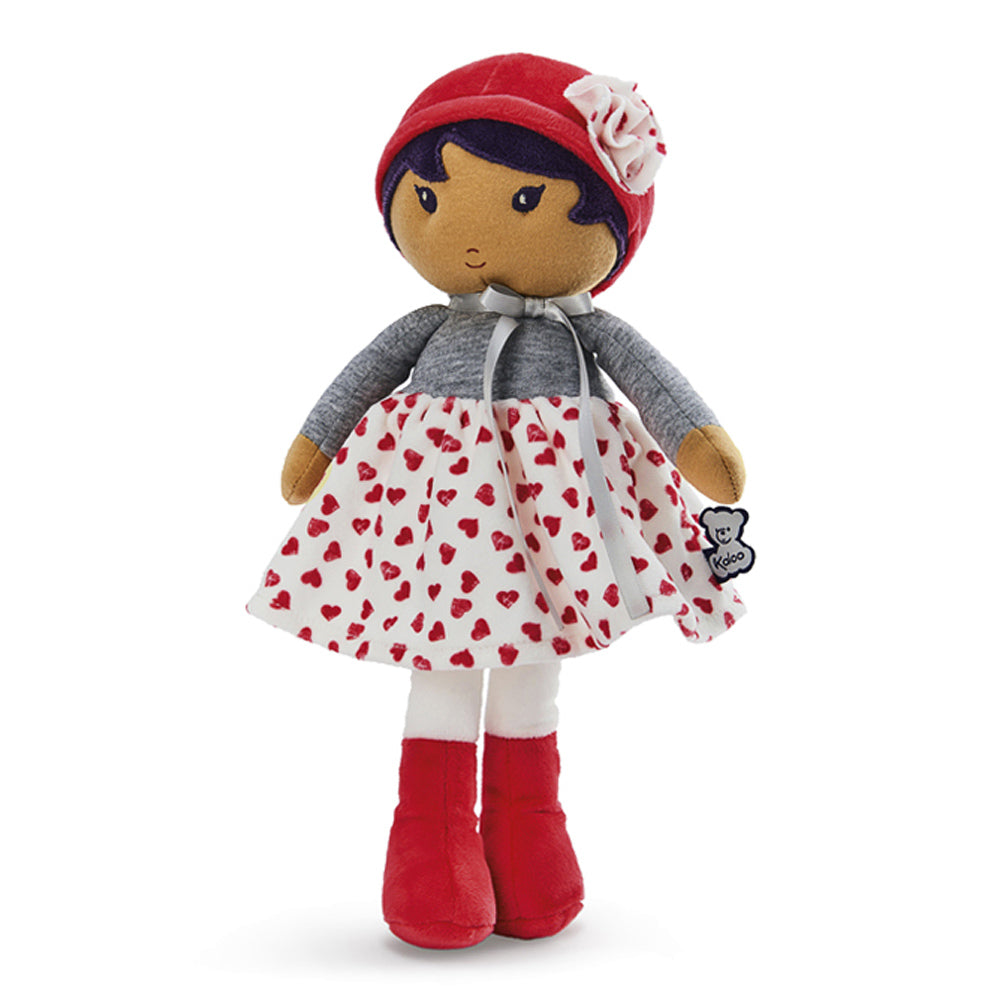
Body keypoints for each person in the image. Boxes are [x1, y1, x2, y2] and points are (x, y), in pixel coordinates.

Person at [247, 53, 747, 949]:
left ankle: (527, 839)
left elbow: (660, 392)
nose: (469, 235)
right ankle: (431, 848)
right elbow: (359, 382)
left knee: (530, 672)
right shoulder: (428, 327)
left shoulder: (586, 330)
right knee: (442, 667)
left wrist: (699, 447)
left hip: (554, 526)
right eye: (429, 200)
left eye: (523, 199)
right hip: (438, 522)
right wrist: (314, 448)